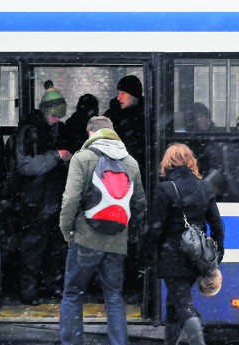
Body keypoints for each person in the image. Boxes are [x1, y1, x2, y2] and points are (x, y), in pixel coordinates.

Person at [59, 116, 147, 345]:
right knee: (114, 297)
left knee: (72, 294)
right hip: (116, 241)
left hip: (85, 239)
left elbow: (71, 199)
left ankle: (72, 342)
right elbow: (140, 205)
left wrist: (67, 230)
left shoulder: (82, 158)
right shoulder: (131, 163)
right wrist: (128, 232)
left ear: (91, 134)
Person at [144, 143, 224, 345]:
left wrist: (144, 256)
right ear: (190, 161)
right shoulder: (204, 187)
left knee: (182, 304)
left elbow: (155, 228)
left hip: (172, 258)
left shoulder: (165, 189)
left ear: (168, 162)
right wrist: (218, 254)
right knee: (173, 304)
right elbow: (216, 223)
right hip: (195, 258)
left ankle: (198, 342)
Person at [15, 86, 72, 305]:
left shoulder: (59, 129)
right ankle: (29, 292)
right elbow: (26, 166)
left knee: (54, 248)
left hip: (53, 199)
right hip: (35, 201)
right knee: (33, 248)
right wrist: (56, 156)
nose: (56, 119)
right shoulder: (29, 132)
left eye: (59, 115)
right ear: (44, 111)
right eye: (53, 115)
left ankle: (51, 286)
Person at [104, 75, 147, 301]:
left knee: (132, 238)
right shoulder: (112, 117)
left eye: (123, 93)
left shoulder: (144, 118)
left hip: (133, 186)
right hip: (115, 188)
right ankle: (118, 286)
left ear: (135, 95)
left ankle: (129, 283)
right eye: (118, 92)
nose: (118, 97)